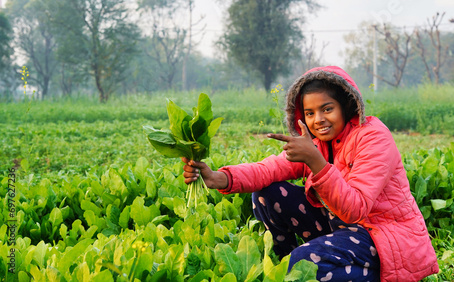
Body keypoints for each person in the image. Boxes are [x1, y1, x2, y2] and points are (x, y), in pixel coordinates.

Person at [182, 66, 439, 281]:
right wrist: (219, 177)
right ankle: (288, 263)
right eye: (309, 113)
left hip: (380, 236)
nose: (318, 120)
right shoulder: (316, 142)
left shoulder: (372, 137)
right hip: (338, 226)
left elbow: (356, 209)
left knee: (306, 264)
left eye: (327, 109)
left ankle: (353, 271)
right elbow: (269, 169)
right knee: (266, 192)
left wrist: (317, 163)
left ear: (347, 106)